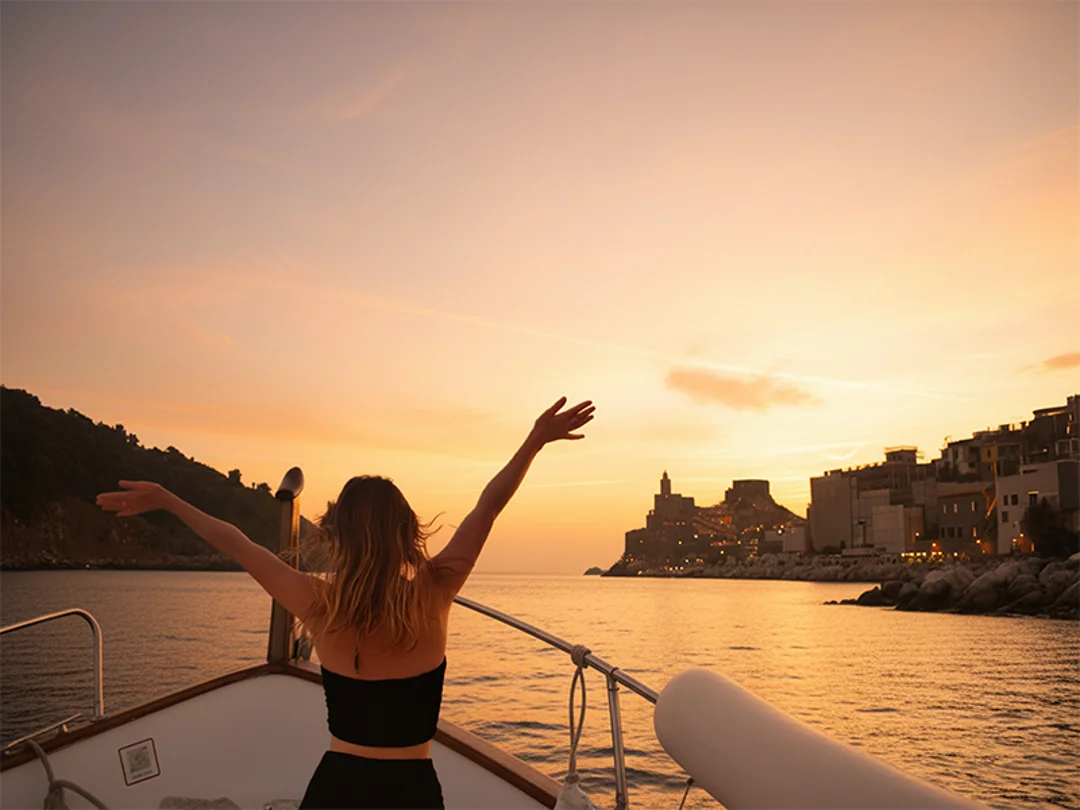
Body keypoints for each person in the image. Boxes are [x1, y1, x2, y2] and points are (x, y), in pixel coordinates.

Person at [96, 396, 595, 809]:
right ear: (406, 531)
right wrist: (534, 441)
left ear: (339, 536)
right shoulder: (436, 589)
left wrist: (168, 498)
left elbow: (238, 544)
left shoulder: (318, 603)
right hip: (413, 793)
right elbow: (489, 505)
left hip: (336, 789)